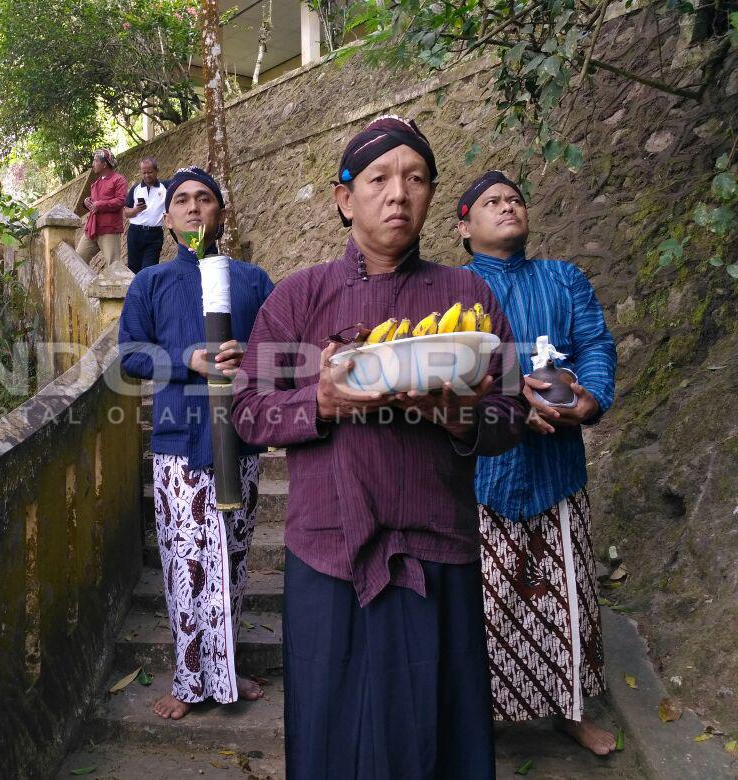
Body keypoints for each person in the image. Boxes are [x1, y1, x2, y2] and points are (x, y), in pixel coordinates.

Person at [231, 116, 528, 779]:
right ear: (345, 198)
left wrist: (460, 419)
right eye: (379, 178)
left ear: (430, 197)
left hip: (437, 547)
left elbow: (509, 416)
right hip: (328, 551)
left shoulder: (468, 297)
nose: (398, 194)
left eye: (416, 178)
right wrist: (322, 401)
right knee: (335, 736)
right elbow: (248, 412)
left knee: (437, 735)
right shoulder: (298, 298)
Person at [456, 170, 618, 755]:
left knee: (567, 596)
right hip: (482, 473)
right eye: (492, 202)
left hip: (557, 471)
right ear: (464, 225)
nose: (507, 207)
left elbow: (595, 344)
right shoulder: (454, 285)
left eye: (515, 199)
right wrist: (508, 398)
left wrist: (588, 396)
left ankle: (570, 709)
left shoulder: (563, 278)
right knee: (485, 601)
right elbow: (446, 361)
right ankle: (483, 717)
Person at [118, 166, 275, 721]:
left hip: (241, 444)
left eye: (204, 199)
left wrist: (246, 363)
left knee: (231, 560)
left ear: (220, 214)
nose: (192, 209)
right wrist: (186, 358)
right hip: (178, 447)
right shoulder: (151, 283)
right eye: (181, 200)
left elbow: (279, 354)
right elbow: (129, 354)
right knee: (185, 566)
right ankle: (189, 679)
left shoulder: (253, 281)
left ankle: (227, 669)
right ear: (166, 218)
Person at [76, 149, 127, 268]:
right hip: (92, 229)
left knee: (113, 265)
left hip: (109, 229)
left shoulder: (119, 180)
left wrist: (99, 205)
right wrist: (86, 202)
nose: (93, 164)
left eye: (95, 161)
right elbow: (94, 204)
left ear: (104, 164)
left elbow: (121, 200)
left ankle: (116, 287)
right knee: (78, 260)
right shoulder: (95, 184)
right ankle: (88, 286)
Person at [123, 156, 167, 273]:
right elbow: (126, 212)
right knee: (133, 269)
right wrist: (136, 210)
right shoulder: (135, 189)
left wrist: (206, 171)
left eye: (150, 172)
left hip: (154, 235)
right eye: (144, 173)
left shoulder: (165, 187)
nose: (147, 175)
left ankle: (146, 291)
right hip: (135, 233)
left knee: (149, 270)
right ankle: (135, 291)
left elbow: (183, 180)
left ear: (157, 171)